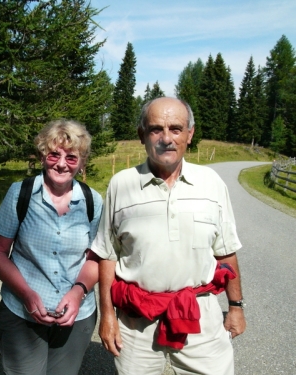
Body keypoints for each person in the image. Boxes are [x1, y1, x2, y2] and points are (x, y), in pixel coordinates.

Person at [91, 97, 246, 375]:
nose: (166, 139)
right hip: (137, 323)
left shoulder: (211, 183)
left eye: (176, 129)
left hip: (201, 319)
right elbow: (108, 255)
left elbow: (226, 251)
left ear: (190, 134)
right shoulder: (121, 184)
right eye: (155, 129)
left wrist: (235, 307)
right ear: (142, 135)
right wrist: (107, 316)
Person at [0, 119, 103, 375]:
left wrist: (78, 292)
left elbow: (95, 258)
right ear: (42, 156)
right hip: (21, 314)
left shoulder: (93, 202)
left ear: (82, 163)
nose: (61, 163)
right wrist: (27, 294)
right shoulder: (20, 193)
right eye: (54, 154)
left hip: (77, 316)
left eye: (72, 157)